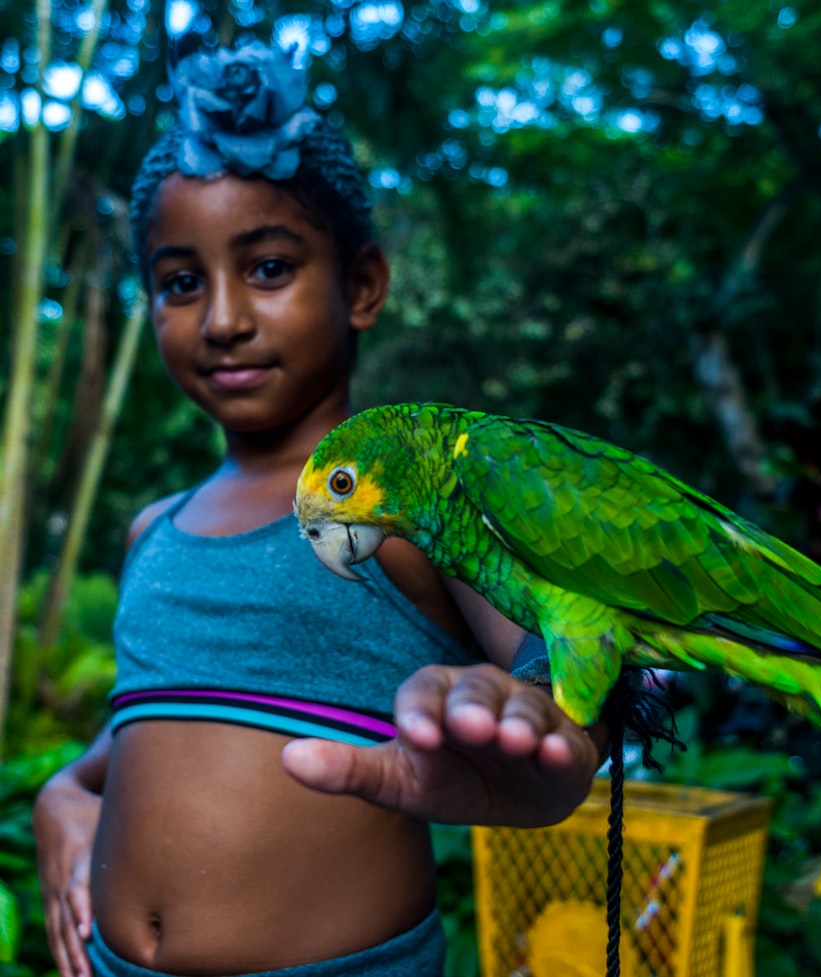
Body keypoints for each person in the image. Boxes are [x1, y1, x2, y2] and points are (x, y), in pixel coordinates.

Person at [32, 40, 605, 977]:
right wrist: (63, 789)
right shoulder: (154, 530)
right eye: (181, 283)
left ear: (364, 286)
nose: (223, 318)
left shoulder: (416, 507)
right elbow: (154, 716)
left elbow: (575, 673)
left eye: (267, 268)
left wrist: (543, 716)